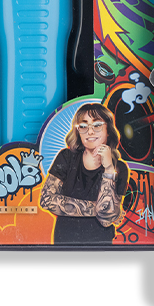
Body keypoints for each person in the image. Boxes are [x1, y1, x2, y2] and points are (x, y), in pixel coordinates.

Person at [40, 103, 129, 243]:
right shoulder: (67, 157)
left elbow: (106, 220)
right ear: (78, 132)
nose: (90, 131)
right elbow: (46, 200)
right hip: (65, 242)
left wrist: (108, 169)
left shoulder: (119, 168)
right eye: (83, 126)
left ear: (108, 131)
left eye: (97, 125)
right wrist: (99, 209)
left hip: (101, 245)